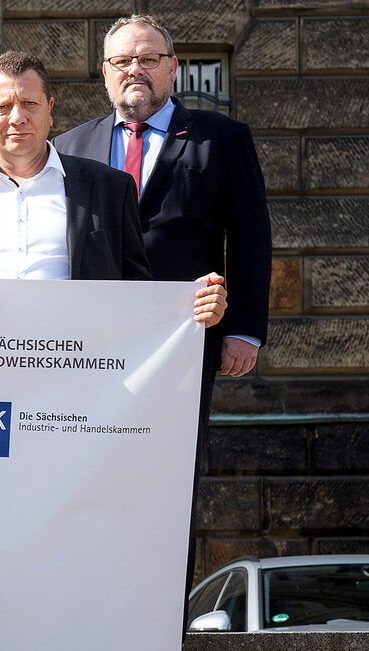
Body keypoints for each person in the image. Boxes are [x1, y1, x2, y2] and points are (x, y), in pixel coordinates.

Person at [51, 14, 272, 595]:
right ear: (104, 73)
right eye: (123, 61)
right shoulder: (70, 148)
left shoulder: (221, 140)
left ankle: (164, 610)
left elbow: (249, 238)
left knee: (171, 481)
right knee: (85, 477)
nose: (136, 70)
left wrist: (245, 329)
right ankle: (87, 601)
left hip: (182, 346)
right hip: (89, 352)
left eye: (149, 59)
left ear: (172, 68)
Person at [0, 51, 227, 330]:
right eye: (3, 106)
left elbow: (136, 290)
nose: (17, 118)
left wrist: (186, 303)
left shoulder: (111, 189)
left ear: (50, 110)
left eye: (29, 104)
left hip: (78, 376)